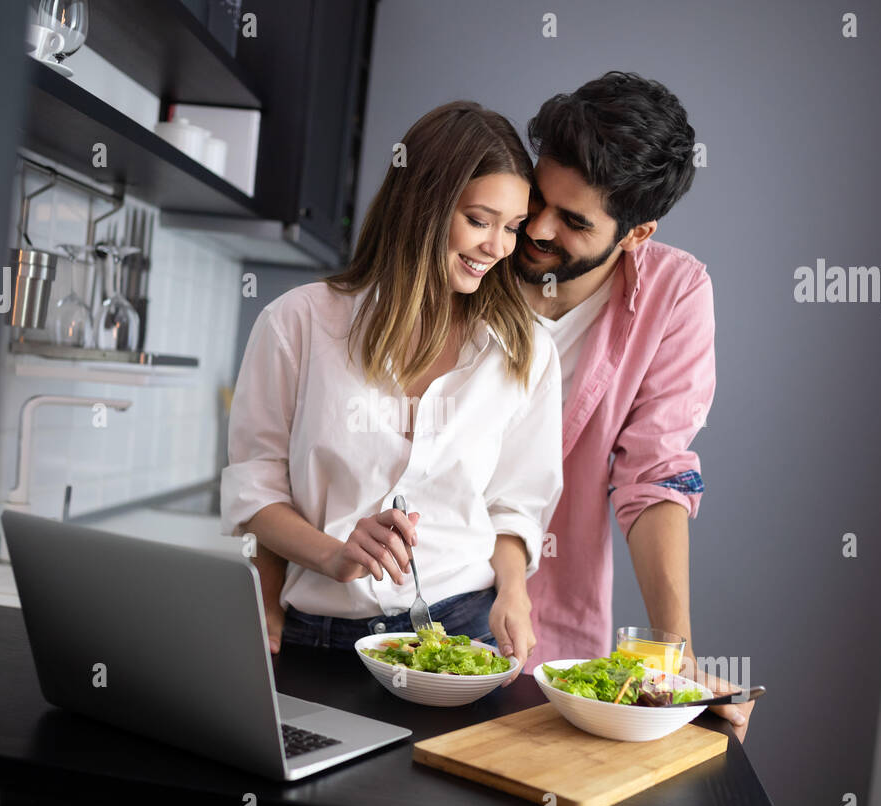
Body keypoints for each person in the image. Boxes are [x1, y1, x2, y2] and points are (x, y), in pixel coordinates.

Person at [220, 101, 563, 682]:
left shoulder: (525, 350)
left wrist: (514, 592)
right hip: (319, 638)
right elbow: (256, 486)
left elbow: (515, 506)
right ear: (423, 207)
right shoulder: (297, 324)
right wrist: (332, 553)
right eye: (480, 221)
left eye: (512, 227)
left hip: (464, 639)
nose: (498, 248)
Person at [514, 71, 755, 740]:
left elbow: (654, 475)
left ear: (636, 232)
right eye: (538, 198)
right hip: (401, 605)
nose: (534, 228)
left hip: (543, 624)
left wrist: (675, 661)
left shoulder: (676, 295)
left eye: (572, 221)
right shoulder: (476, 242)